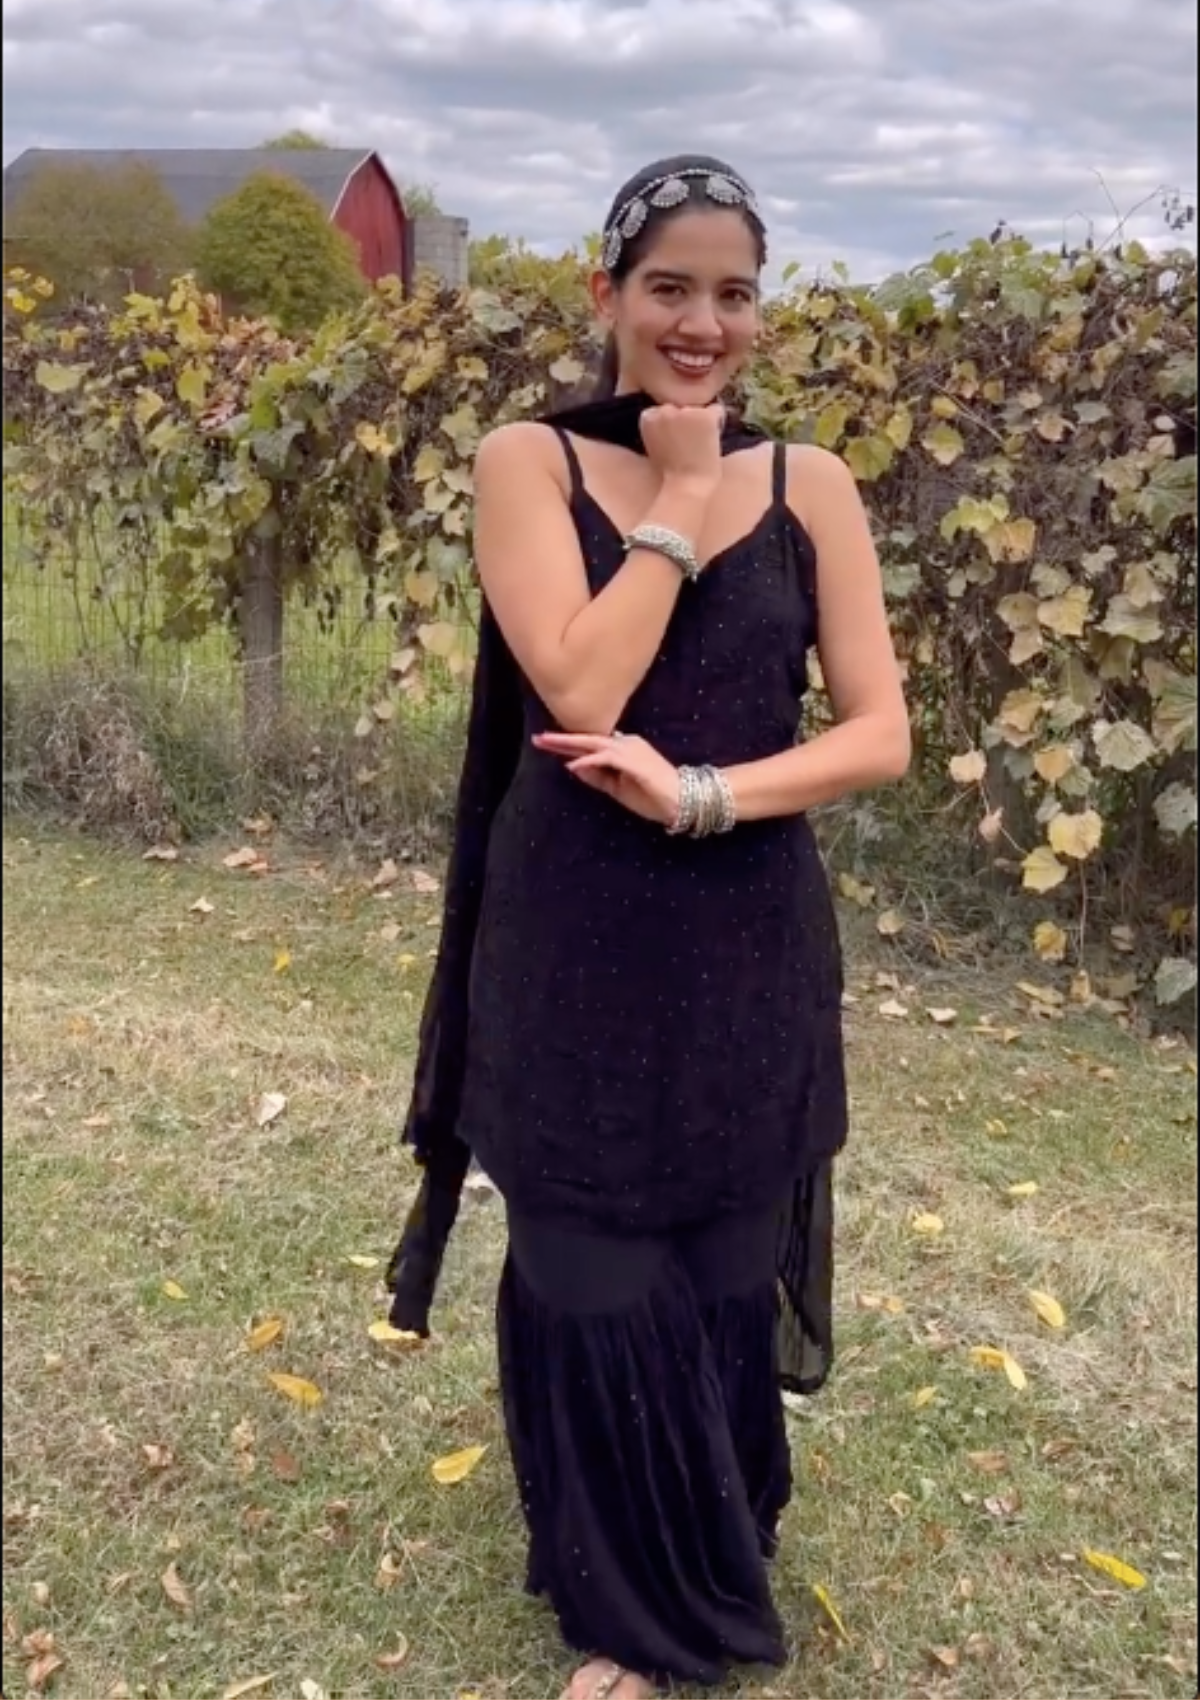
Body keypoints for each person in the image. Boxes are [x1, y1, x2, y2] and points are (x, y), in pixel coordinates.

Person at [386, 153, 910, 1700]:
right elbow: (581, 682)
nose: (701, 323)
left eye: (733, 293)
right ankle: (628, 1601)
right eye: (669, 287)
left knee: (724, 1260)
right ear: (606, 295)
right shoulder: (528, 462)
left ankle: (714, 1532)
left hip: (746, 935)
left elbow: (879, 733)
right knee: (589, 1268)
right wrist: (680, 496)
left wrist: (704, 795)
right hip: (568, 939)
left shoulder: (811, 485)